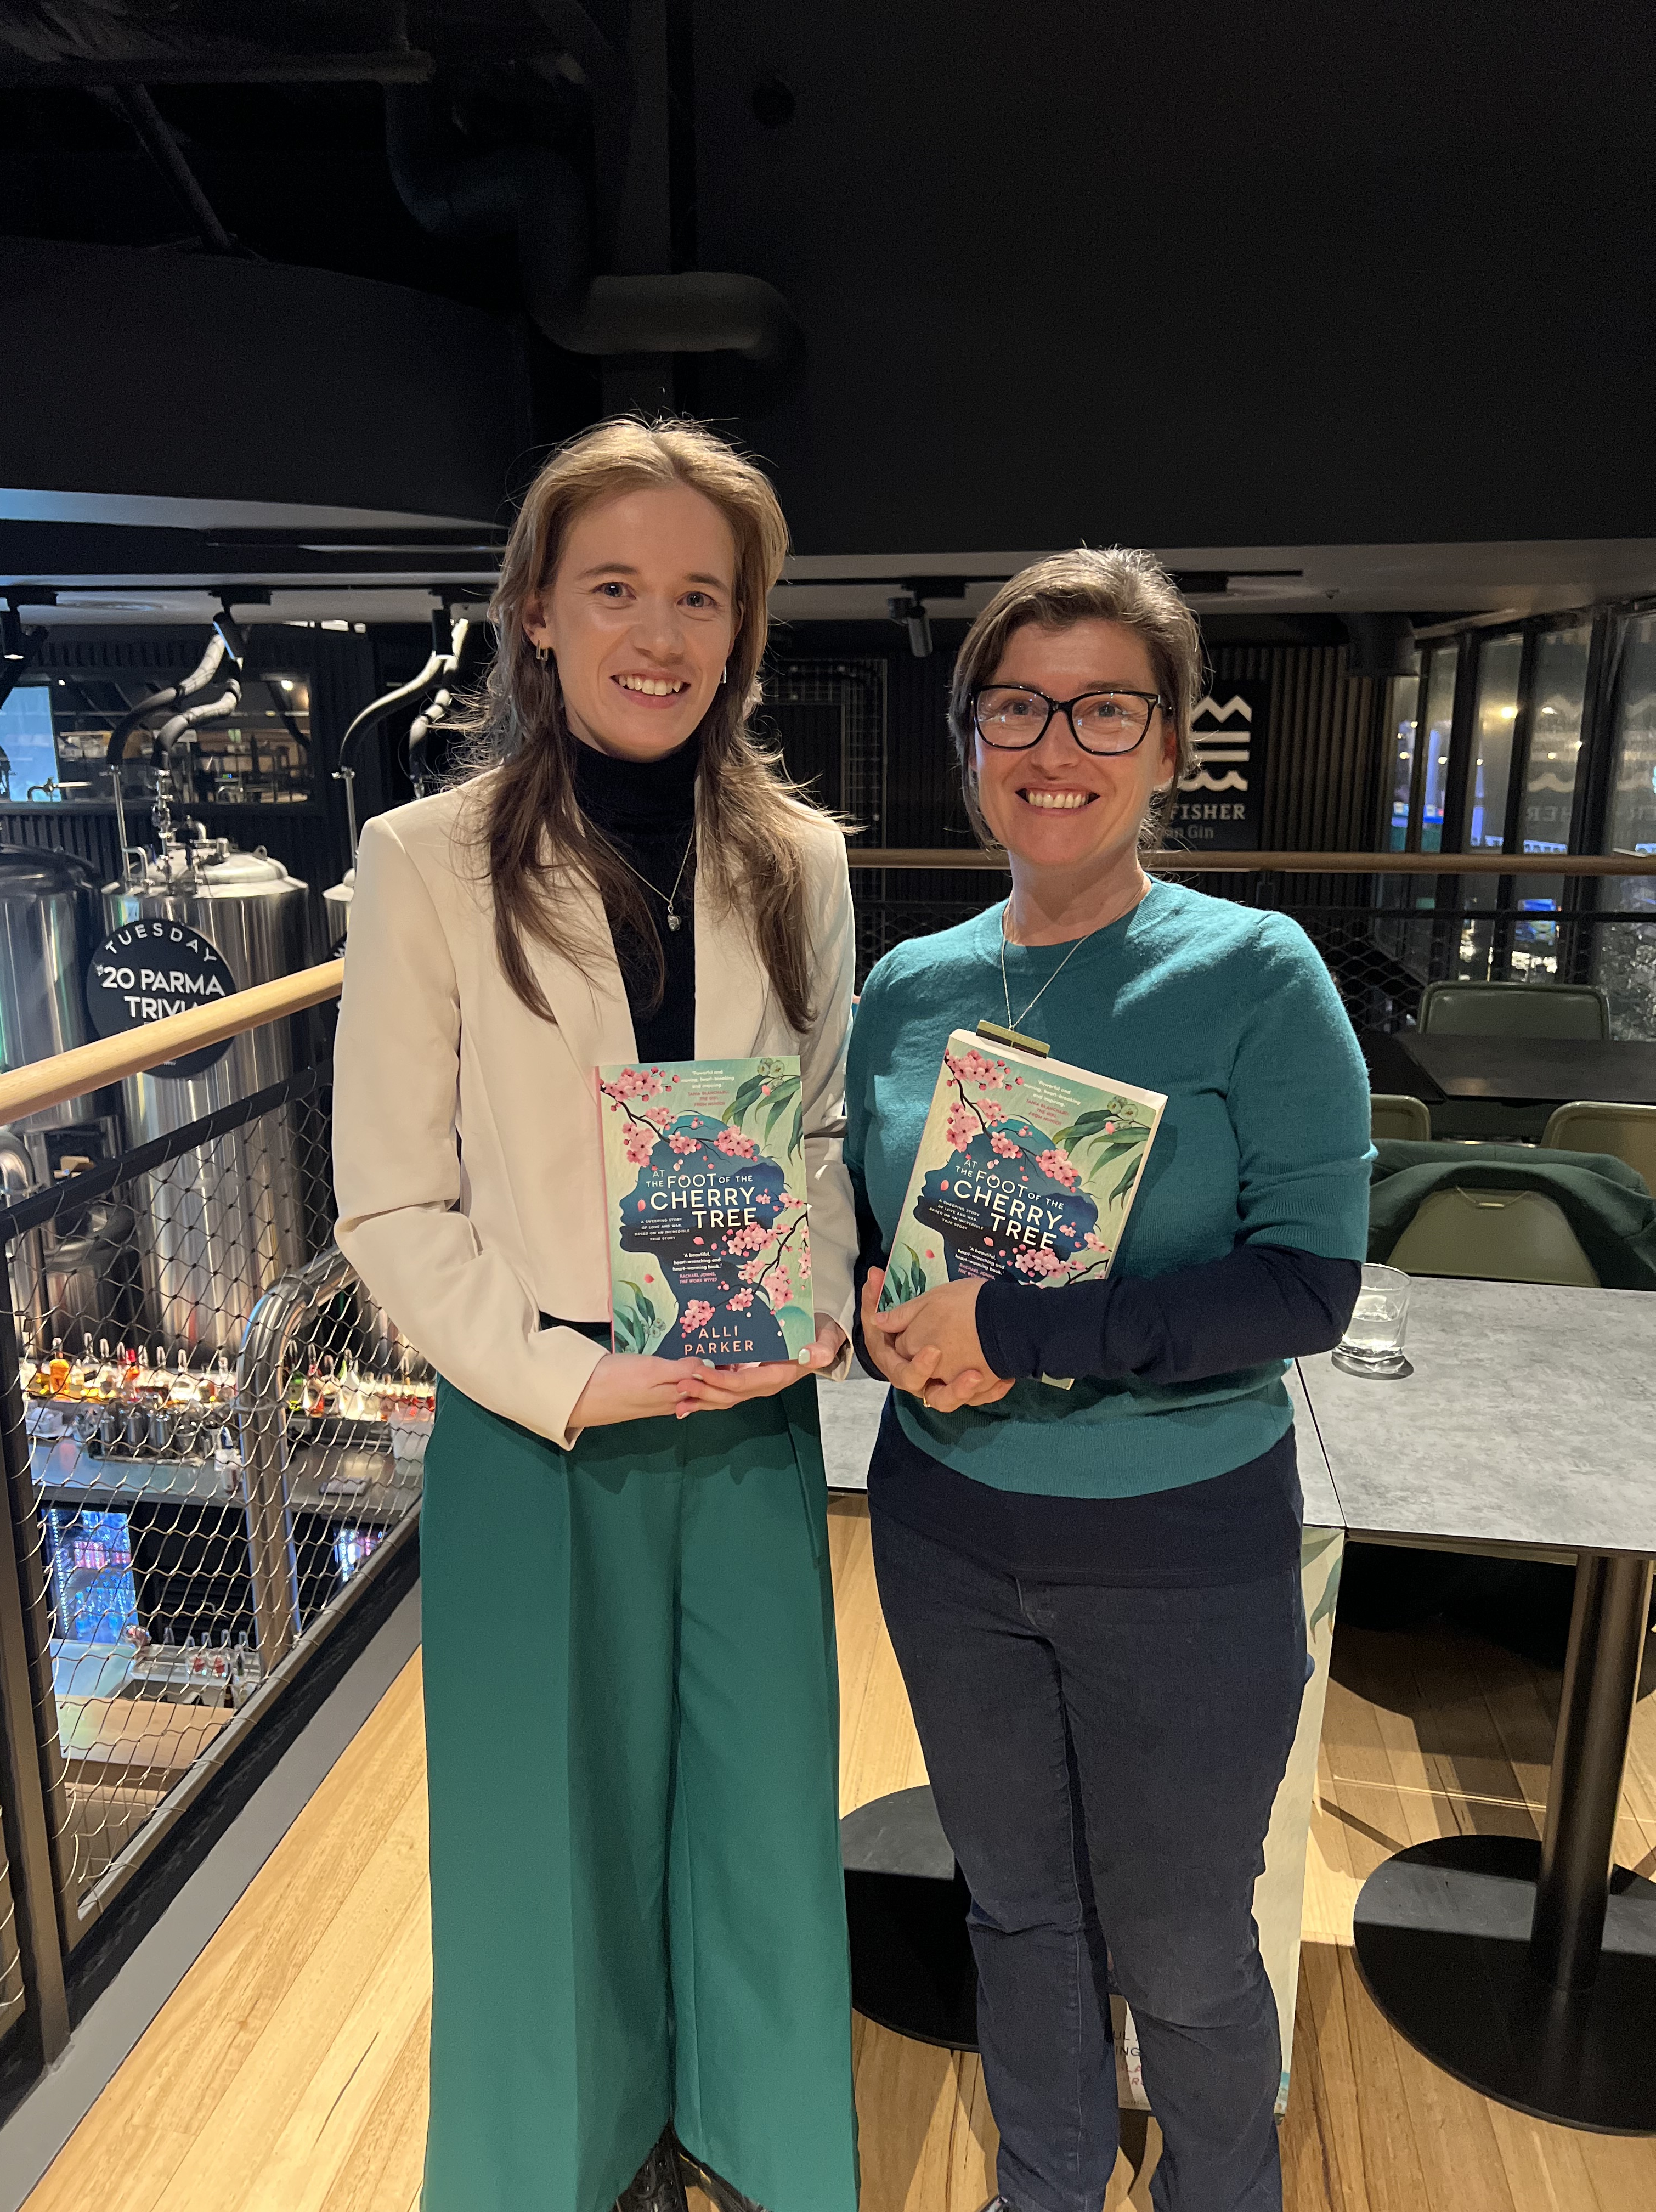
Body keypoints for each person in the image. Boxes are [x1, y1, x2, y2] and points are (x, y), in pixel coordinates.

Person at [332, 418, 859, 2212]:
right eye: (616, 586)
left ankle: (755, 2141)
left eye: (702, 596)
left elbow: (823, 1129)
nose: (661, 631)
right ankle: (561, 2162)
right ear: (538, 614)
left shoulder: (799, 857)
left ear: (745, 629)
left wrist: (813, 1298)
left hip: (748, 1414)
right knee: (540, 1832)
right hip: (536, 1419)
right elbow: (390, 1203)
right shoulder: (426, 859)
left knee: (760, 1807)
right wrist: (564, 1377)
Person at [844, 549, 1370, 2212]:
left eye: (1104, 711)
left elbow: (1306, 1288)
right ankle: (1045, 2188)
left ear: (1169, 748)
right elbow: (878, 1235)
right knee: (1017, 1912)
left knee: (1187, 1946)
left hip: (1181, 1550)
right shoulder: (907, 989)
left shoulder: (1257, 974)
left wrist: (1019, 1333)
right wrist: (879, 1312)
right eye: (1016, 706)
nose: (1054, 745)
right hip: (945, 1534)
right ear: (969, 738)